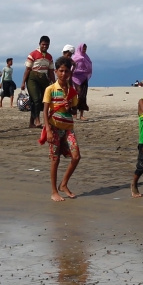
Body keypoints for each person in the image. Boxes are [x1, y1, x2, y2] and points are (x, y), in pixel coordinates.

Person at [42, 56, 81, 201]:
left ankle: (63, 184)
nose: (64, 74)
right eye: (61, 71)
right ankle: (54, 191)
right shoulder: (50, 89)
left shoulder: (72, 90)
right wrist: (48, 130)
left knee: (76, 157)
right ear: (56, 71)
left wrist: (68, 106)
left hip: (68, 127)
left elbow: (72, 111)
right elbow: (45, 111)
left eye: (66, 71)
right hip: (54, 127)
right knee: (55, 159)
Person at [21, 36, 55, 128]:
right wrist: (23, 82)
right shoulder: (33, 54)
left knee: (41, 100)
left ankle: (31, 123)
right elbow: (27, 69)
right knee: (36, 99)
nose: (45, 46)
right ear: (39, 44)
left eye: (47, 45)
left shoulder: (49, 57)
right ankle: (37, 120)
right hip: (32, 78)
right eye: (43, 44)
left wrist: (55, 83)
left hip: (43, 79)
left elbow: (51, 71)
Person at [71, 44, 92, 120]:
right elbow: (72, 68)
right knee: (76, 95)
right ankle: (74, 113)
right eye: (83, 49)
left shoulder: (86, 57)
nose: (84, 50)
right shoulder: (75, 57)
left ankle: (81, 114)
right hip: (76, 78)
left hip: (84, 78)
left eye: (85, 49)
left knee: (83, 96)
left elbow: (89, 67)